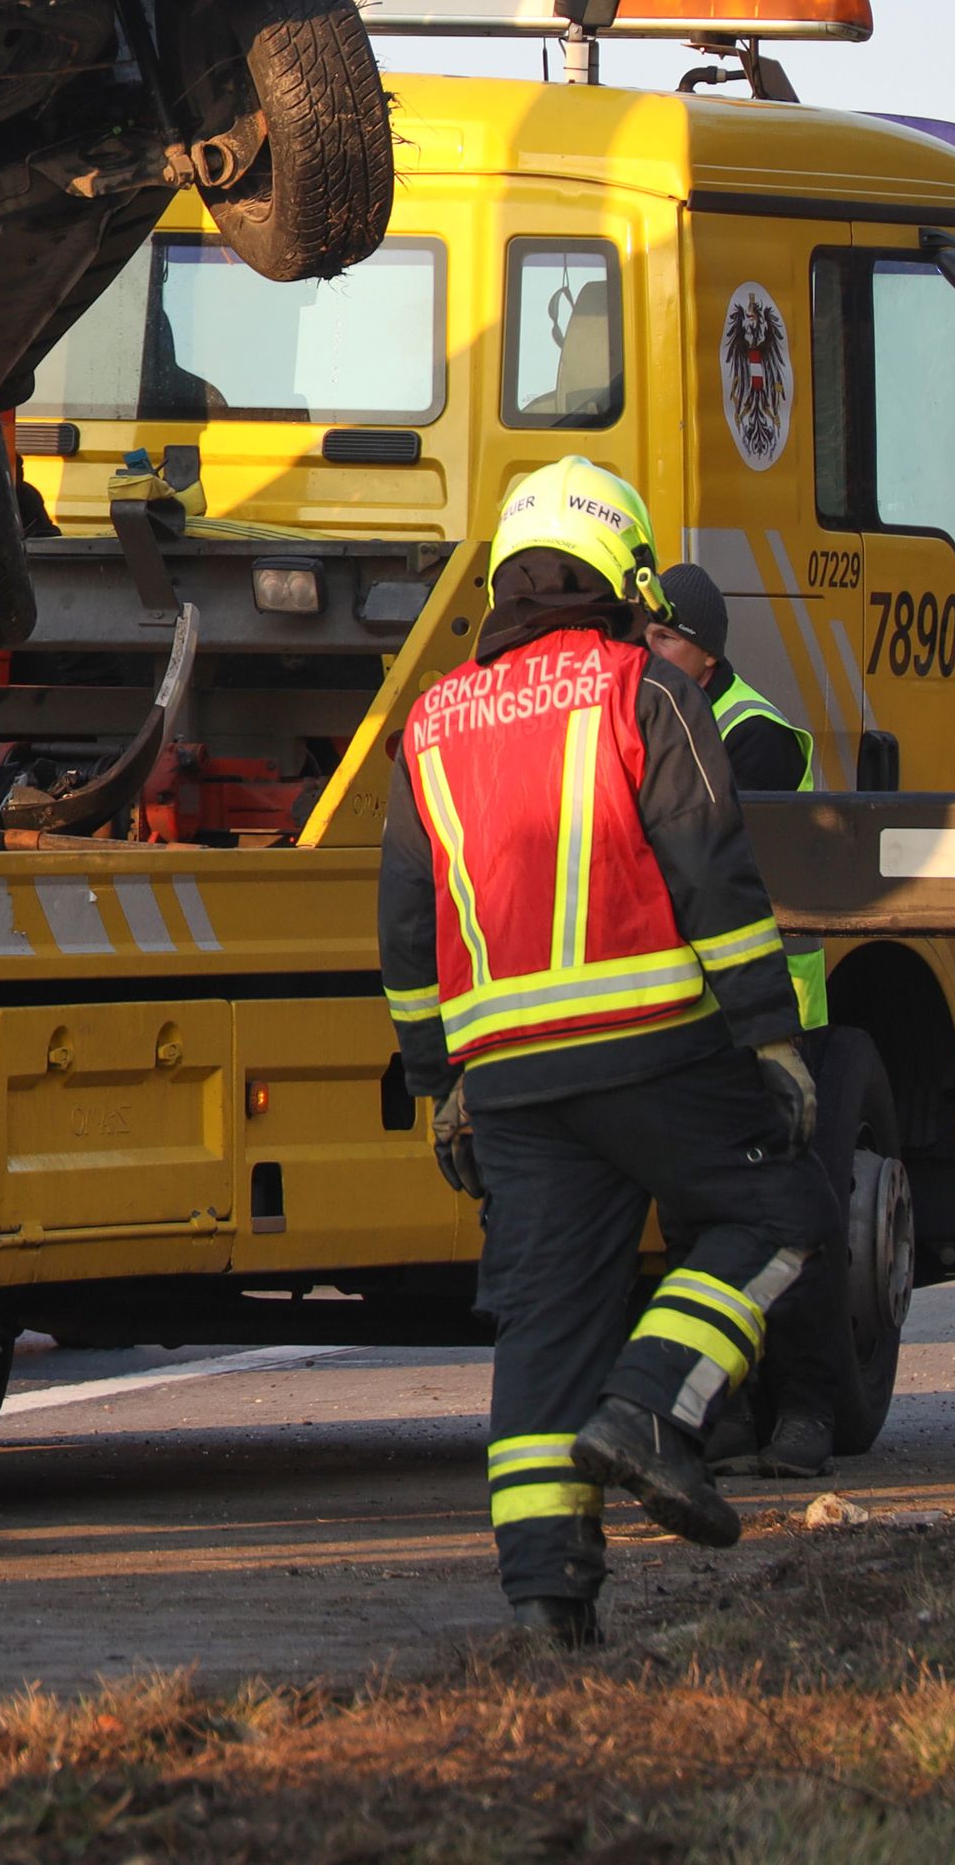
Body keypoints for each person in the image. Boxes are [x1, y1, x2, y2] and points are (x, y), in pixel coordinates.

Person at [379, 458, 836, 1644]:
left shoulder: (429, 721)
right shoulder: (641, 688)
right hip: (653, 1044)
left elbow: (405, 924)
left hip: (509, 1082)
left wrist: (436, 1083)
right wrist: (771, 1040)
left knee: (544, 1322)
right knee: (780, 1207)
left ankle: (545, 1599)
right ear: (621, 577)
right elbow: (713, 880)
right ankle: (652, 1414)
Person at [648, 563, 845, 1481]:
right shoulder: (667, 718)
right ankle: (721, 1417)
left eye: (663, 640)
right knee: (698, 1229)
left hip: (772, 1023)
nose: (647, 654)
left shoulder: (752, 734)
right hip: (698, 1017)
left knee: (787, 1225)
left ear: (707, 649)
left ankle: (804, 1417)